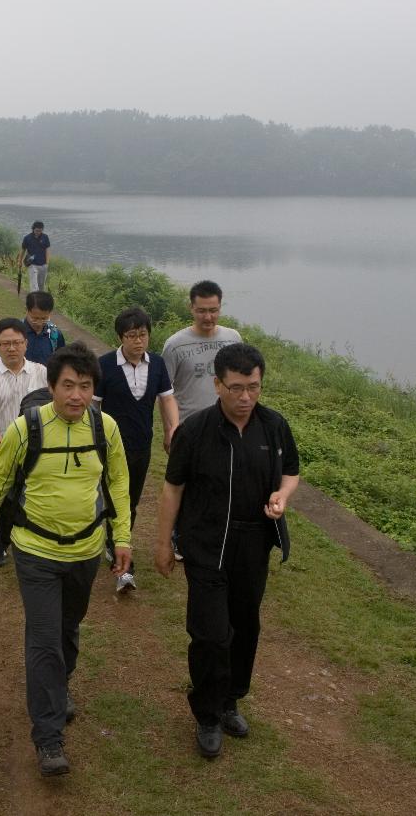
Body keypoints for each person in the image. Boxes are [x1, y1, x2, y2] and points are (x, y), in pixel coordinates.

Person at [0, 342, 131, 777]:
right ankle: (48, 738)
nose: (76, 396)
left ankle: (58, 688)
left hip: (85, 551)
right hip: (36, 551)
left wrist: (123, 539)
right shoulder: (26, 429)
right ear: (52, 386)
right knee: (44, 638)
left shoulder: (106, 429)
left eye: (84, 387)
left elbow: (118, 483)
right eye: (68, 386)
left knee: (68, 629)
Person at [153, 343, 299, 760]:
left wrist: (282, 496)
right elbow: (173, 488)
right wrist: (163, 544)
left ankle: (231, 699)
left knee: (245, 626)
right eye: (235, 388)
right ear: (217, 384)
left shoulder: (273, 426)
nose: (245, 398)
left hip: (253, 544)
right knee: (210, 633)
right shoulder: (195, 432)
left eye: (253, 387)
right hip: (206, 545)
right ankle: (207, 715)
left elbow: (291, 472)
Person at [93, 307, 179, 592]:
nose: (138, 341)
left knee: (131, 501)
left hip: (142, 446)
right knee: (116, 499)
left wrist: (172, 430)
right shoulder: (105, 365)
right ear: (121, 337)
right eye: (132, 335)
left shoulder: (156, 365)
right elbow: (93, 406)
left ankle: (114, 542)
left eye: (143, 335)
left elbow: (167, 400)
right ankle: (122, 559)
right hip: (111, 447)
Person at [0, 318, 50, 566]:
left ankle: (28, 540)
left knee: (31, 495)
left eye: (17, 343)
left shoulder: (42, 373)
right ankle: (0, 542)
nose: (12, 348)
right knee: (4, 496)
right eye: (5, 344)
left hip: (35, 449)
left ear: (26, 344)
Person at [161, 280, 243, 424]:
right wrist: (170, 430)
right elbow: (164, 393)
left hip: (227, 424)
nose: (208, 317)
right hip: (189, 426)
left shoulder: (233, 339)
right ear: (191, 308)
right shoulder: (175, 345)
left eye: (213, 310)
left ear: (220, 308)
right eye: (201, 311)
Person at [0, 290, 67, 365]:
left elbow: (62, 362)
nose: (39, 323)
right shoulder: (13, 332)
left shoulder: (55, 335)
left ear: (50, 312)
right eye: (34, 318)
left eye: (44, 319)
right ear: (26, 310)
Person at [21, 221, 52, 293]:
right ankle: (34, 301)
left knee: (41, 285)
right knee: (34, 285)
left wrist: (47, 263)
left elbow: (47, 250)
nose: (38, 232)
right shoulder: (27, 238)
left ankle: (40, 301)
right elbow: (23, 250)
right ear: (33, 229)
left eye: (40, 231)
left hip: (43, 264)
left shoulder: (45, 237)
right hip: (32, 264)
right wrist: (20, 261)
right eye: (37, 230)